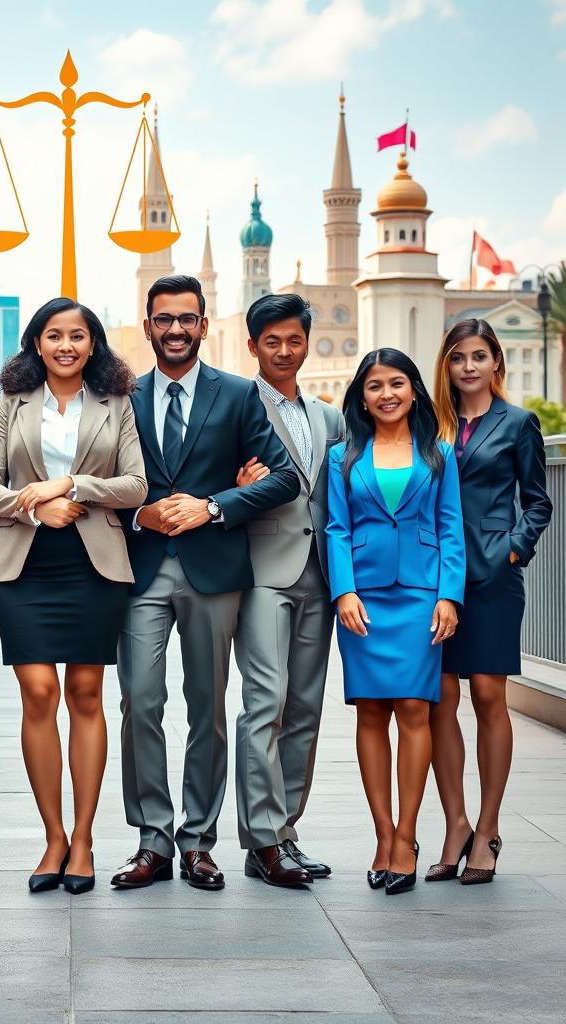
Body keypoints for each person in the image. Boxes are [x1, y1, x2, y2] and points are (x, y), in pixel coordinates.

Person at [112, 275, 300, 893]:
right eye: (163, 318)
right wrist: (142, 513)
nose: (174, 329)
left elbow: (282, 480)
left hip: (214, 570)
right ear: (147, 326)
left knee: (207, 709)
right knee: (139, 701)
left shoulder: (241, 395)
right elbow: (94, 481)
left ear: (202, 323)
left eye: (186, 318)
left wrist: (215, 505)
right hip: (139, 569)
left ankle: (198, 842)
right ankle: (152, 840)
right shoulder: (120, 399)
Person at [0, 297, 146, 895]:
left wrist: (72, 483)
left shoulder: (117, 403)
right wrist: (35, 503)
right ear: (36, 344)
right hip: (24, 561)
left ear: (92, 344)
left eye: (77, 335)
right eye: (54, 335)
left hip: (94, 561)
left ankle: (85, 837)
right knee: (39, 692)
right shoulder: (10, 405)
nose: (66, 345)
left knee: (87, 692)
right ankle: (53, 837)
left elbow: (135, 486)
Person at [327, 348, 465, 895]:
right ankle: (383, 834)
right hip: (362, 598)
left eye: (397, 384)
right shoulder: (343, 456)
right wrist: (343, 592)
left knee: (414, 708)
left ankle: (406, 835)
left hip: (421, 595)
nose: (386, 394)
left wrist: (448, 597)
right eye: (375, 386)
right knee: (369, 712)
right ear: (361, 396)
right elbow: (336, 528)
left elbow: (451, 528)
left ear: (414, 392)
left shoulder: (439, 455)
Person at [427, 319, 552, 885]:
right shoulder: (431, 425)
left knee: (486, 694)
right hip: (435, 576)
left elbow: (539, 503)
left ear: (496, 362)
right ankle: (454, 824)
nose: (469, 366)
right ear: (447, 366)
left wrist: (513, 551)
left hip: (494, 578)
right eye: (458, 357)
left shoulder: (519, 423)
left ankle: (489, 824)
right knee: (439, 700)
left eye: (479, 356)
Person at [233, 293, 345, 888]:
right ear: (253, 346)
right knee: (265, 704)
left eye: (293, 340)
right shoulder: (235, 405)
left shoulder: (329, 416)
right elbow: (203, 477)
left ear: (306, 343)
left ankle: (286, 833)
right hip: (261, 572)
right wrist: (233, 482)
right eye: (271, 341)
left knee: (304, 707)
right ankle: (262, 839)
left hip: (320, 575)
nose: (283, 350)